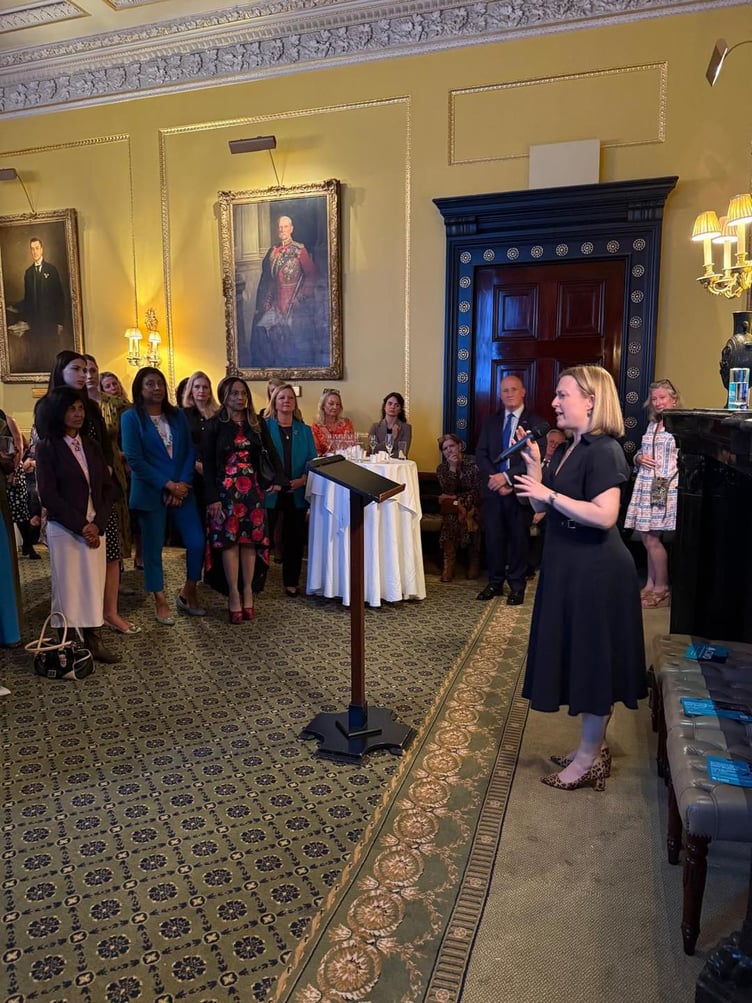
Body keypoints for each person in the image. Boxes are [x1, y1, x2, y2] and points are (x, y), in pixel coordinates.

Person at [514, 365, 647, 792]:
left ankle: (590, 758)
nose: (553, 401)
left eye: (562, 394)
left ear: (590, 400)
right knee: (582, 656)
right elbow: (550, 505)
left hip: (596, 571)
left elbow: (606, 515)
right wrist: (537, 470)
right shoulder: (572, 446)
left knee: (593, 662)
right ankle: (592, 746)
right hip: (569, 565)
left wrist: (548, 494)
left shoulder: (605, 449)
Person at [35, 387, 118, 664]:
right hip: (66, 528)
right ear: (59, 412)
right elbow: (48, 494)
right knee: (69, 586)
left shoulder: (91, 445)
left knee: (94, 583)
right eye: (72, 409)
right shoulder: (48, 447)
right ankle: (66, 642)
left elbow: (108, 489)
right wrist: (82, 525)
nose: (78, 413)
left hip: (96, 525)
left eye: (80, 408)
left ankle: (94, 637)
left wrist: (98, 523)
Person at [120, 367, 206, 625]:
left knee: (197, 542)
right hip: (151, 491)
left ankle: (189, 591)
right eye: (150, 384)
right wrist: (168, 485)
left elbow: (189, 451)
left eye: (159, 383)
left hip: (182, 490)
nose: (156, 388)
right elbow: (134, 458)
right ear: (140, 388)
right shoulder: (130, 418)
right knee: (153, 548)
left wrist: (182, 484)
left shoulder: (177, 415)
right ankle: (160, 598)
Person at [203, 377, 284, 622]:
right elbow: (207, 466)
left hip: (252, 493)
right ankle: (234, 594)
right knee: (230, 543)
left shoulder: (256, 423)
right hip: (225, 493)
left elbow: (271, 453)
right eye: (234, 394)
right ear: (224, 397)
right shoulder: (214, 424)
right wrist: (212, 497)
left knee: (249, 542)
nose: (240, 398)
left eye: (243, 393)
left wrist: (279, 479)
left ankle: (248, 590)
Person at [475, 375, 547, 605]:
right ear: (499, 394)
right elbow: (482, 454)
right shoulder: (491, 421)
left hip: (520, 493)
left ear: (523, 392)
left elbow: (535, 459)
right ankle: (495, 582)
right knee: (494, 539)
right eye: (504, 390)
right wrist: (496, 480)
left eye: (513, 389)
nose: (509, 394)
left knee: (519, 540)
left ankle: (517, 586)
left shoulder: (535, 423)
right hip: (493, 492)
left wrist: (507, 478)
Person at [624, 379, 681, 609]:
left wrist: (671, 482)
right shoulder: (652, 425)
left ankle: (662, 588)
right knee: (648, 537)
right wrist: (638, 458)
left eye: (662, 398)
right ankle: (650, 583)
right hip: (646, 484)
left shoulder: (680, 426)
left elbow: (684, 458)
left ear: (674, 400)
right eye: (655, 399)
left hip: (664, 486)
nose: (658, 403)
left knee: (651, 538)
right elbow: (643, 451)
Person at [264, 384, 317, 597]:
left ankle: (291, 582)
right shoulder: (264, 427)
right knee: (263, 538)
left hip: (296, 490)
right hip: (271, 490)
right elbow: (260, 460)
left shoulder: (304, 430)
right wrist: (273, 481)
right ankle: (257, 581)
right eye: (282, 397)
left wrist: (303, 479)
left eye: (290, 398)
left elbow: (312, 460)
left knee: (294, 539)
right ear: (274, 402)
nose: (286, 401)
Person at [247, 216, 320, 368]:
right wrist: (266, 300)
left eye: (285, 227)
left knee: (293, 337)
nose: (282, 230)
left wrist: (300, 297)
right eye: (280, 227)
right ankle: (274, 366)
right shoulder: (273, 252)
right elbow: (269, 280)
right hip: (275, 302)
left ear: (291, 229)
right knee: (263, 331)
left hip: (294, 303)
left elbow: (312, 275)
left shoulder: (299, 250)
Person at [7, 237, 67, 372]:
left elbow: (59, 297)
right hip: (35, 324)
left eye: (37, 248)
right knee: (37, 356)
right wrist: (14, 308)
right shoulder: (28, 273)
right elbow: (28, 299)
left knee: (51, 357)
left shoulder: (51, 270)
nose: (35, 252)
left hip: (50, 323)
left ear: (42, 249)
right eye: (32, 249)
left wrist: (60, 322)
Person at [436, 433, 482, 582]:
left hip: (474, 503)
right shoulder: (442, 469)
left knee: (471, 513)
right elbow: (448, 490)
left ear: (460, 446)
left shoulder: (474, 463)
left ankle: (474, 562)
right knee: (451, 518)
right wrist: (452, 468)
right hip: (456, 508)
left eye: (452, 446)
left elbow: (477, 490)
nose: (449, 450)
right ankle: (449, 565)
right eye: (445, 449)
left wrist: (457, 498)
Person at [528, 428, 567, 573]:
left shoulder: (563, 469)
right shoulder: (532, 460)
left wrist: (543, 511)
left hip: (550, 510)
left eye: (558, 444)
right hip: (527, 506)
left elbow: (561, 494)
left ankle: (533, 566)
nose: (553, 446)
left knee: (548, 524)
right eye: (551, 442)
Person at [181, 371, 219, 520]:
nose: (201, 391)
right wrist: (196, 464)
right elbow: (182, 444)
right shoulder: (183, 414)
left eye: (205, 387)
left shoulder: (219, 414)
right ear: (191, 390)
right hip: (191, 472)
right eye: (197, 387)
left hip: (215, 471)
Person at [0, 407, 22, 648]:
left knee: (3, 563)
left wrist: (8, 460)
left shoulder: (2, 416)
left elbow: (10, 460)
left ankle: (8, 630)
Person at [312, 388, 356, 456]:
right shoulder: (316, 427)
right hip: (325, 463)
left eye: (337, 404)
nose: (335, 407)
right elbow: (316, 452)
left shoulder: (346, 423)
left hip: (346, 461)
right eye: (331, 404)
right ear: (323, 406)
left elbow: (353, 447)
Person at [369, 392, 412, 458]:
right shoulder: (375, 427)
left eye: (396, 405)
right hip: (377, 465)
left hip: (397, 466)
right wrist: (391, 438)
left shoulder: (406, 428)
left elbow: (402, 454)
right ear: (384, 406)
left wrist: (384, 455)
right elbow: (373, 450)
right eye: (390, 403)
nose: (392, 407)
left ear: (400, 410)